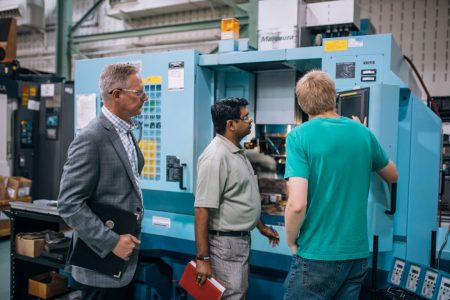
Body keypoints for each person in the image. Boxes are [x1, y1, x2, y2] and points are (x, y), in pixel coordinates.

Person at [283, 70, 398, 300]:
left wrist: (290, 239)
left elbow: (297, 204)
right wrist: (365, 133)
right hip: (356, 257)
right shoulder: (363, 133)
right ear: (333, 96)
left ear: (302, 104)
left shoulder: (298, 136)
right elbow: (393, 175)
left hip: (317, 255)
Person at [58, 63, 148, 300]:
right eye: (138, 93)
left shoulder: (126, 131)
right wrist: (111, 242)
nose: (145, 98)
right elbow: (69, 203)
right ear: (116, 95)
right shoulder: (91, 138)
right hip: (102, 259)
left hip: (124, 256)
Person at [194, 97, 280, 299]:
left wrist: (261, 227)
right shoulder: (216, 156)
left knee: (237, 294)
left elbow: (240, 196)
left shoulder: (236, 152)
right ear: (230, 125)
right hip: (225, 244)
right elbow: (201, 209)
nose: (250, 121)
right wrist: (203, 258)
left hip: (237, 241)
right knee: (232, 296)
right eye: (246, 117)